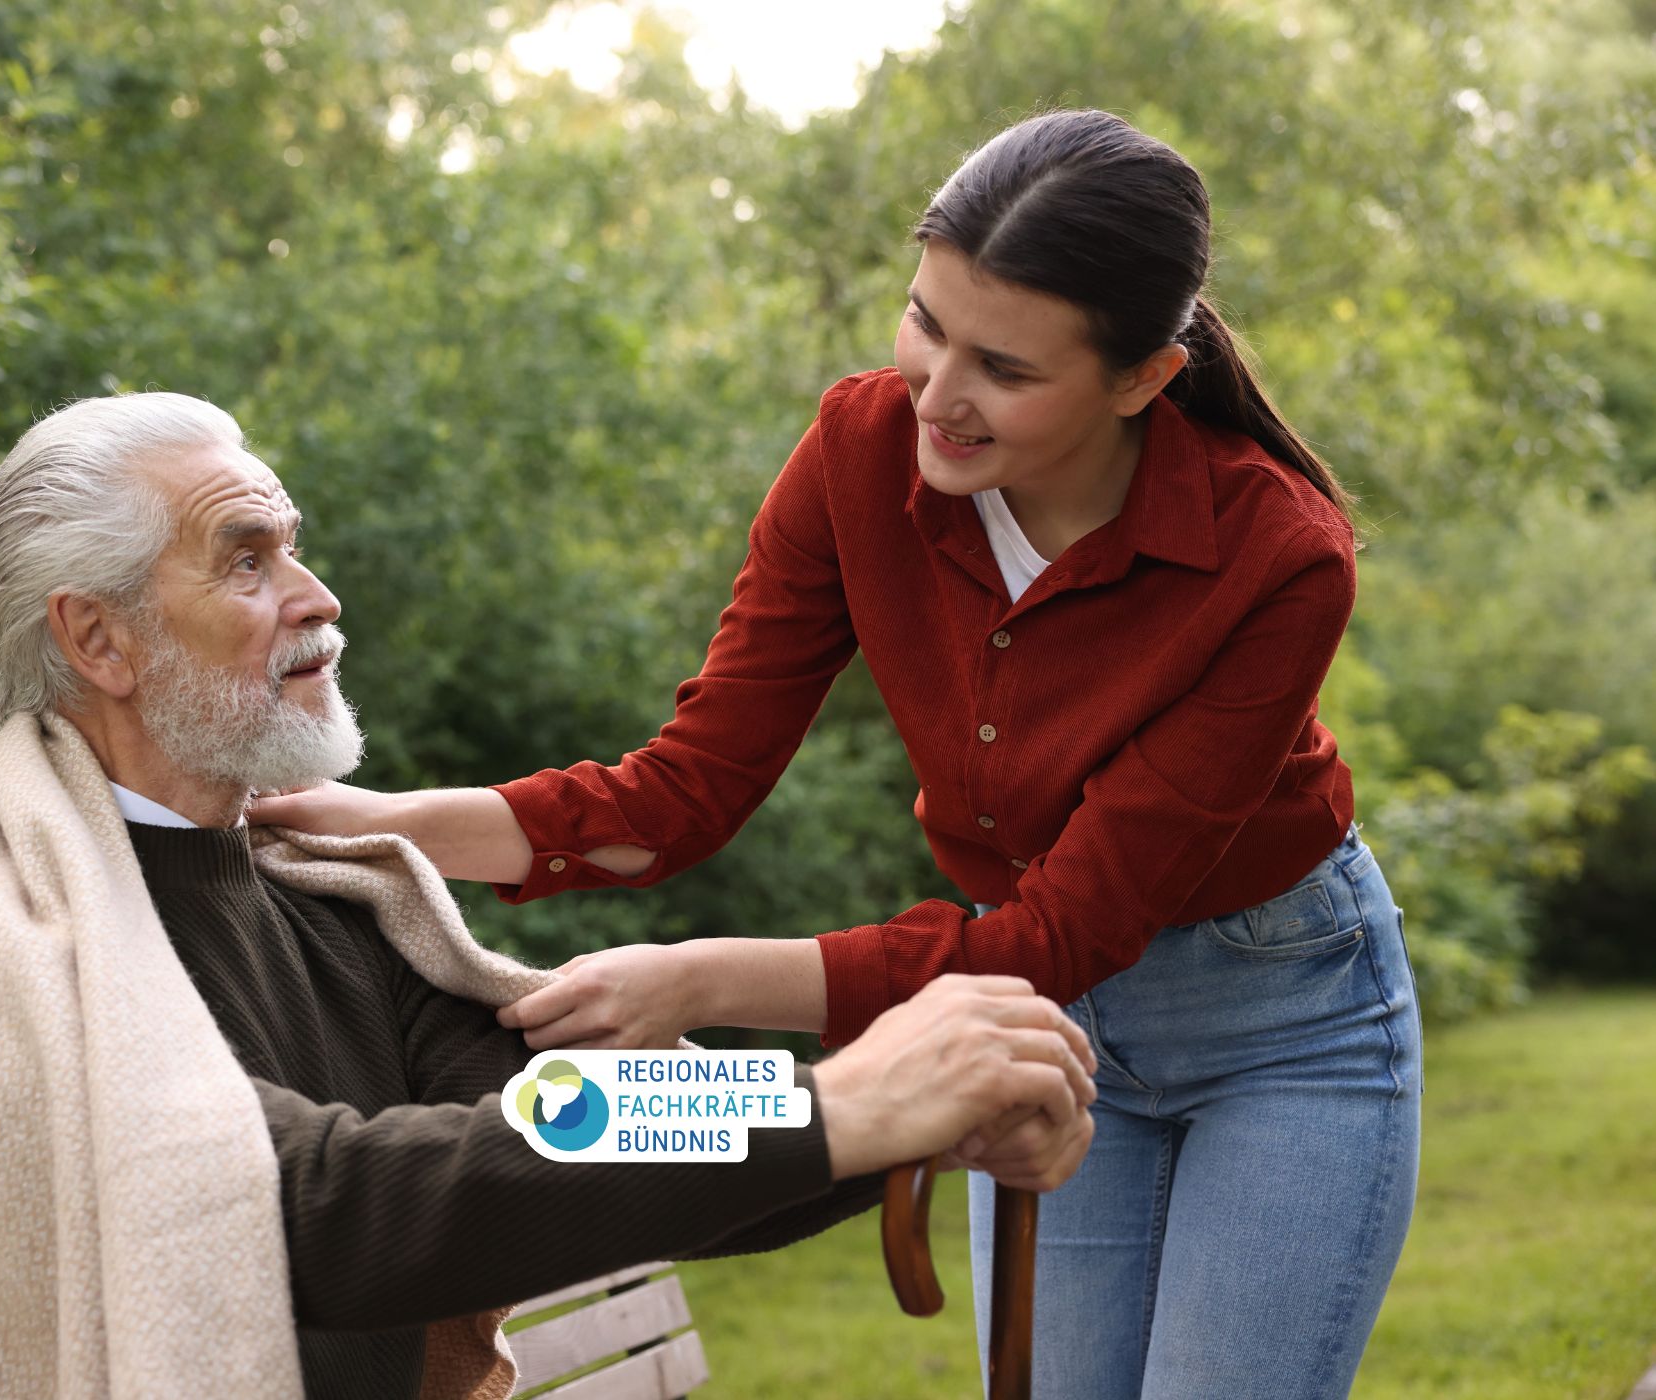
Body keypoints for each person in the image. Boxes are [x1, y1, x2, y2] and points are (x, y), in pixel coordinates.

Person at [254, 109, 1424, 1399]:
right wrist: (361, 820)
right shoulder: (861, 455)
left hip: (1274, 1023)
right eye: (925, 322)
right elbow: (678, 795)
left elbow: (1060, 933)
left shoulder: (1280, 557)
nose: (936, 394)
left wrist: (699, 981)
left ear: (1143, 377)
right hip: (1028, 1016)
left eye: (1006, 369)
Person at [0, 392, 1096, 1400]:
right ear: (96, 638)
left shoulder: (321, 893)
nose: (316, 595)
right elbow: (297, 1201)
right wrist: (849, 1111)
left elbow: (567, 1113)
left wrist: (887, 1117)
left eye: (293, 545)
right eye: (247, 559)